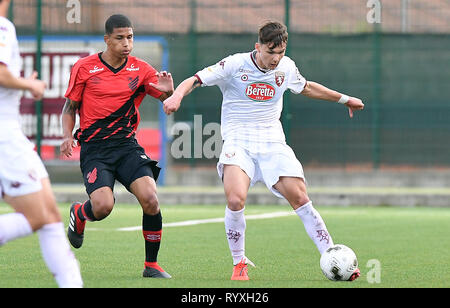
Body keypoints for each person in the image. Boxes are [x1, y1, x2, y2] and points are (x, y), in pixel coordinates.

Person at [162, 21, 364, 281]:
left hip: (272, 143)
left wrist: (345, 99)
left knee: (300, 197)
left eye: (280, 52)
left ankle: (332, 256)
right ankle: (239, 263)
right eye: (270, 52)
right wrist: (177, 96)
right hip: (238, 142)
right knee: (235, 200)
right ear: (257, 47)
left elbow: (308, 87)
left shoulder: (286, 67)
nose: (275, 58)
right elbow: (195, 80)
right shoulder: (235, 64)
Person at [60, 14, 173, 278]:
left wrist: (169, 91)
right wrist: (67, 135)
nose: (126, 43)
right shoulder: (85, 67)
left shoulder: (141, 69)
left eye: (130, 37)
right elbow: (70, 106)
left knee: (151, 199)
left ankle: (151, 265)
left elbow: (166, 101)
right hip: (96, 150)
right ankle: (80, 212)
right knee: (102, 207)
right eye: (120, 38)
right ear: (107, 39)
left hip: (127, 147)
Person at [0, 0, 83, 288]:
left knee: (49, 217)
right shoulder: (2, 26)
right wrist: (30, 85)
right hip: (4, 135)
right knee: (40, 216)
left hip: (9, 134)